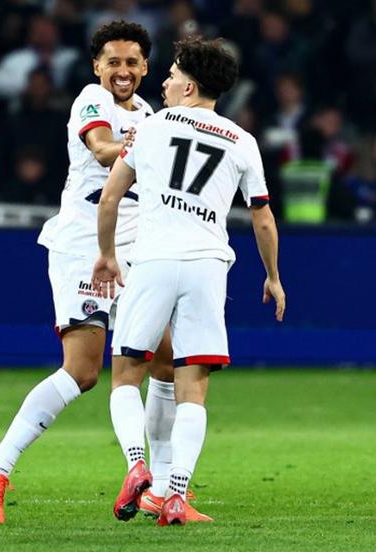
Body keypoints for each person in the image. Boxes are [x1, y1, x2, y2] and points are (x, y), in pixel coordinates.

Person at [0, 21, 180, 524]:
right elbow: (103, 148)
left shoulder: (149, 113)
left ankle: (162, 488)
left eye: (132, 62)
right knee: (83, 371)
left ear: (146, 67)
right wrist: (146, 143)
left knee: (167, 362)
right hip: (84, 246)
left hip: (134, 250)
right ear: (96, 67)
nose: (122, 71)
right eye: (113, 61)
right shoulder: (92, 100)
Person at [92, 37, 286, 526]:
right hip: (206, 266)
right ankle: (175, 493)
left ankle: (138, 466)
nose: (164, 80)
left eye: (173, 73)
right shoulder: (243, 141)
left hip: (155, 260)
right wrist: (273, 277)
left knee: (126, 373)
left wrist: (107, 256)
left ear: (190, 85)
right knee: (193, 386)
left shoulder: (150, 128)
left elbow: (110, 199)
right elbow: (262, 218)